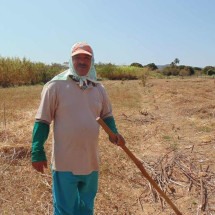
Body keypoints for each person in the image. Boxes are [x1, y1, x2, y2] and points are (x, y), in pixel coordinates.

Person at [31, 42, 125, 215]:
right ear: (70, 60)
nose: (82, 61)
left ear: (92, 61)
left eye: (86, 58)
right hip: (64, 162)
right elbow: (42, 120)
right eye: (77, 58)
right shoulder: (55, 86)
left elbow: (107, 116)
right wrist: (37, 149)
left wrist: (114, 134)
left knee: (86, 208)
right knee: (65, 209)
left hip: (90, 161)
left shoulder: (98, 88)